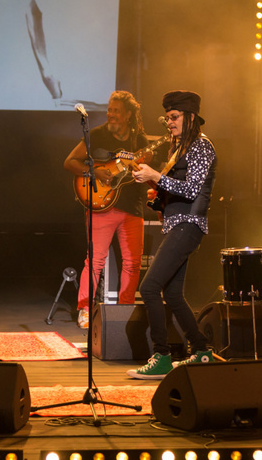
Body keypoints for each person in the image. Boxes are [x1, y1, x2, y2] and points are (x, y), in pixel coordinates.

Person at [126, 90, 218, 380]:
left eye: (174, 117)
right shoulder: (180, 149)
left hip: (189, 225)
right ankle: (201, 350)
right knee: (173, 294)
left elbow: (192, 190)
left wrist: (155, 176)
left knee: (150, 288)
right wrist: (155, 192)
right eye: (167, 118)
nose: (169, 122)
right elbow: (175, 189)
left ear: (191, 117)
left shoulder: (202, 147)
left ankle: (162, 355)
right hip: (179, 225)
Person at [64, 90, 151, 329]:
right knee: (95, 261)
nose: (110, 115)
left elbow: (145, 172)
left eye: (116, 111)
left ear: (129, 115)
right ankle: (84, 309)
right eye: (109, 110)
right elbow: (70, 161)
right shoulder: (98, 135)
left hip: (132, 207)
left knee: (133, 263)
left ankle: (125, 310)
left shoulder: (139, 141)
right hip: (101, 207)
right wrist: (94, 172)